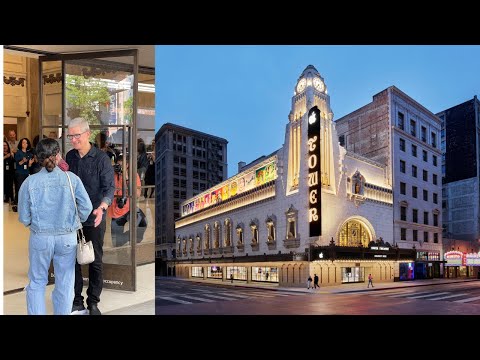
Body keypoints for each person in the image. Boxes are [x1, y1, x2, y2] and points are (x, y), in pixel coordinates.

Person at [18, 138, 92, 315]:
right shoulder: (71, 179)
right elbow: (87, 207)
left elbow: (23, 217)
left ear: (37, 158)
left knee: (37, 281)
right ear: (58, 155)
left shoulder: (29, 182)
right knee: (65, 282)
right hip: (67, 237)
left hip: (40, 237)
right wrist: (74, 221)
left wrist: (33, 223)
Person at [66, 117, 115, 315]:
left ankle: (93, 302)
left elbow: (109, 187)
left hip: (94, 217)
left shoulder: (101, 159)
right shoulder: (69, 157)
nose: (73, 139)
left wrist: (102, 207)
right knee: (73, 261)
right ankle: (76, 300)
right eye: (70, 136)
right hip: (72, 220)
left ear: (87, 134)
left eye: (76, 135)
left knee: (94, 261)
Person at [108, 154, 147, 247]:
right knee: (117, 243)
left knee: (143, 223)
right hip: (116, 211)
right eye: (118, 165)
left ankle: (131, 237)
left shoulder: (133, 174)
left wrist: (126, 177)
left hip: (129, 208)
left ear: (127, 165)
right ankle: (127, 238)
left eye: (123, 165)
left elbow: (137, 194)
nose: (120, 168)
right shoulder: (110, 174)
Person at [13, 138, 34, 212]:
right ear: (21, 144)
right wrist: (23, 160)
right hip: (20, 173)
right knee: (19, 188)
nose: (25, 144)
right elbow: (18, 163)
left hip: (26, 172)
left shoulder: (29, 153)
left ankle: (24, 204)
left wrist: (30, 163)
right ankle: (17, 204)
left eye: (26, 143)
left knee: (26, 189)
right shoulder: (18, 153)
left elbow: (29, 166)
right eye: (23, 143)